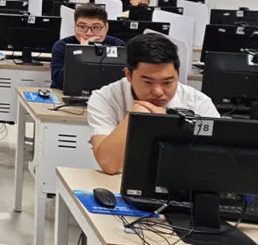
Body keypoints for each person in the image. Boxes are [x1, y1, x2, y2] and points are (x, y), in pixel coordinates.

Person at [89, 33, 220, 175]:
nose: (158, 92)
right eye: (148, 82)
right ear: (129, 75)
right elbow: (109, 164)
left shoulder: (198, 103)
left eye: (168, 82)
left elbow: (218, 161)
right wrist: (135, 116)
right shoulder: (105, 98)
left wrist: (168, 125)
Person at [50, 4, 126, 89]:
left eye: (96, 27)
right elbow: (60, 82)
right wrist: (83, 52)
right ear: (75, 26)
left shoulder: (118, 46)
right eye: (82, 27)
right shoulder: (62, 46)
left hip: (106, 95)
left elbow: (120, 81)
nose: (89, 33)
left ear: (106, 27)